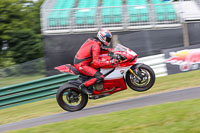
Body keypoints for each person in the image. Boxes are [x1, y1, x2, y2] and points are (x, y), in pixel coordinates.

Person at [74, 29, 118, 94]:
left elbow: (101, 49)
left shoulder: (93, 40)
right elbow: (96, 63)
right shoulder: (96, 46)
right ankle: (83, 86)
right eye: (108, 39)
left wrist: (112, 50)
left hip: (81, 61)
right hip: (81, 65)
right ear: (103, 38)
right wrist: (110, 63)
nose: (109, 41)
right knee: (100, 77)